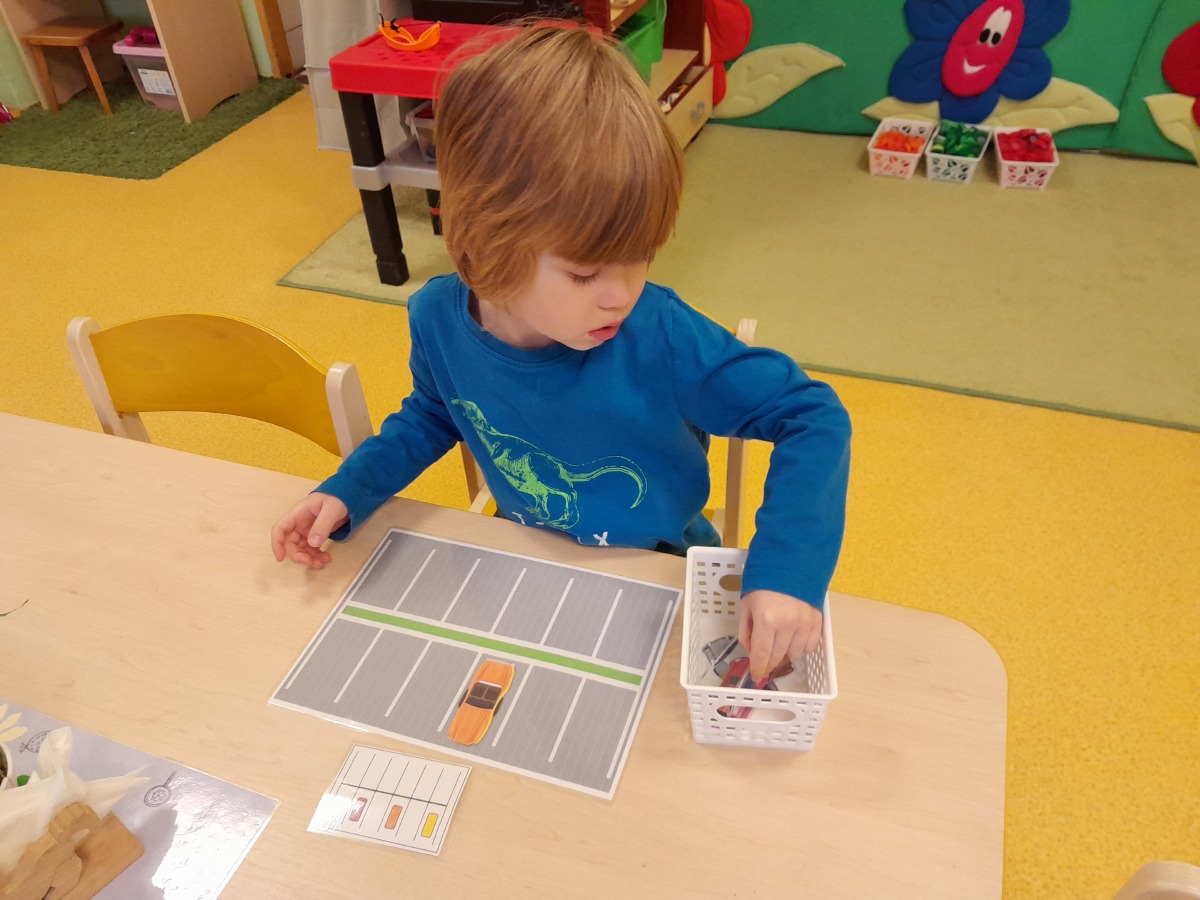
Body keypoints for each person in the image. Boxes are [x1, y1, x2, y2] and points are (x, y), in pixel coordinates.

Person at [271, 22, 851, 684]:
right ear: (485, 243)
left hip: (660, 564)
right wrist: (350, 489)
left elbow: (813, 416)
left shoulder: (660, 333)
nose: (622, 295)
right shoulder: (436, 317)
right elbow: (434, 415)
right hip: (524, 553)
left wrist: (788, 572)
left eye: (643, 256)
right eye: (584, 272)